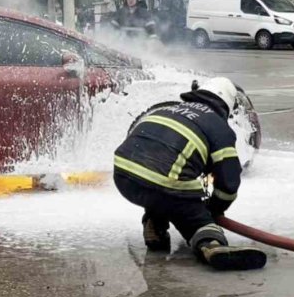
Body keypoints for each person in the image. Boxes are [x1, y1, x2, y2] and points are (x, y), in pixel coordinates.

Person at [113, 78, 267, 271]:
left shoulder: (166, 109)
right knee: (190, 212)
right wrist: (213, 210)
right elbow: (229, 182)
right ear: (226, 103)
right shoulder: (218, 126)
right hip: (162, 182)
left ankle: (155, 224)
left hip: (123, 176)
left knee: (164, 193)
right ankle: (211, 245)